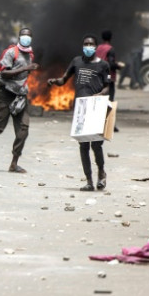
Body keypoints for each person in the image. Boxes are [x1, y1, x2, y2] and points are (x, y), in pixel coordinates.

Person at [48, 34, 110, 191]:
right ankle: (89, 181)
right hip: (81, 108)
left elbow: (108, 86)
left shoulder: (103, 65)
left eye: (91, 44)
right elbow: (64, 79)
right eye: (86, 44)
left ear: (95, 47)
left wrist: (101, 93)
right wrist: (55, 81)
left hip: (96, 107)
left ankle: (101, 173)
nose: (88, 46)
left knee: (96, 145)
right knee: (83, 146)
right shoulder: (76, 62)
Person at [0, 28, 39, 173]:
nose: (26, 38)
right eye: (24, 35)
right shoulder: (12, 52)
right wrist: (26, 68)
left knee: (23, 130)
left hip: (20, 96)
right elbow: (3, 72)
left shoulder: (30, 54)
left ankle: (14, 163)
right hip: (6, 94)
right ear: (19, 37)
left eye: (28, 35)